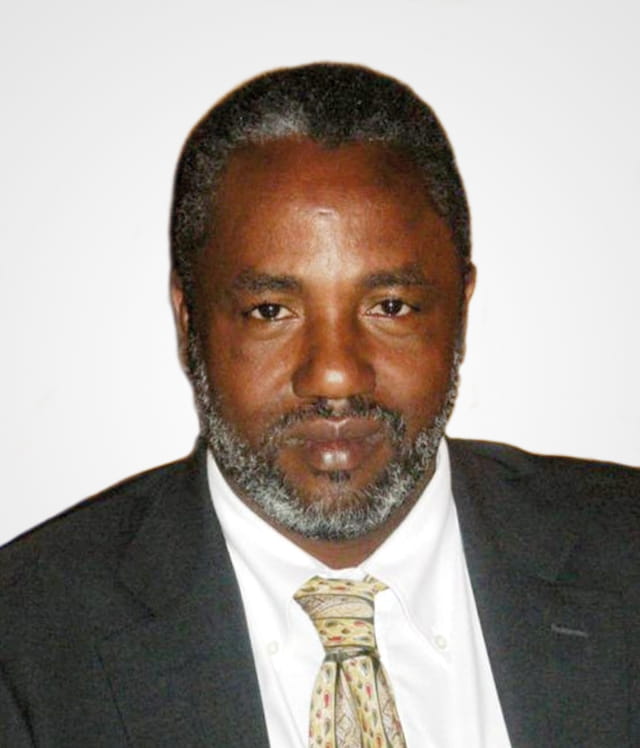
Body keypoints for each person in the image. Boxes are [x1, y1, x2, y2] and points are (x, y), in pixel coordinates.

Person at [1, 63, 639, 748]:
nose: (334, 376)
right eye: (270, 311)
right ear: (188, 320)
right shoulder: (28, 642)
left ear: (461, 307)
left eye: (390, 306)